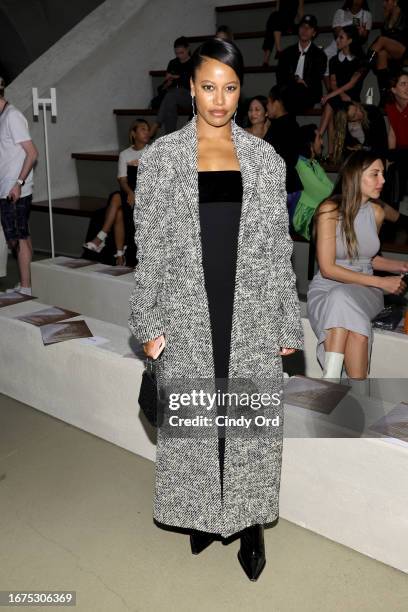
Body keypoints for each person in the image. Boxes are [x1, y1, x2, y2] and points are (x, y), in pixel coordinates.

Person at [128, 38, 303, 582]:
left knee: (247, 419)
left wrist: (285, 320)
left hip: (249, 305)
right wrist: (149, 323)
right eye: (208, 87)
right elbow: (148, 246)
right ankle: (204, 514)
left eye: (230, 88)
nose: (220, 100)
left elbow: (278, 247)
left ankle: (248, 524)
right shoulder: (160, 159)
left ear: (240, 90)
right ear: (190, 88)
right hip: (186, 307)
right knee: (199, 416)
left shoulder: (264, 158)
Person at [307, 151, 408, 386]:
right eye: (375, 174)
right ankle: (358, 392)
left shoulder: (377, 212)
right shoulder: (329, 210)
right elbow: (328, 268)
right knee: (355, 327)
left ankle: (330, 381)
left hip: (365, 291)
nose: (382, 180)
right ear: (355, 176)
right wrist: (382, 282)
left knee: (341, 299)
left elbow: (366, 258)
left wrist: (399, 266)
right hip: (328, 287)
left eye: (382, 174)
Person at [83, 119, 150, 265]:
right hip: (129, 193)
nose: (147, 132)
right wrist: (131, 193)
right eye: (143, 129)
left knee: (115, 199)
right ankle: (120, 256)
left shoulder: (153, 152)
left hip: (147, 194)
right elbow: (122, 180)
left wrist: (137, 193)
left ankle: (101, 238)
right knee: (117, 203)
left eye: (147, 129)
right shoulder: (125, 154)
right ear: (133, 133)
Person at [0, 76, 38, 295]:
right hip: (6, 187)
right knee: (20, 235)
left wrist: (19, 183)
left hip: (15, 189)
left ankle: (25, 288)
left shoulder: (12, 116)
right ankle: (28, 284)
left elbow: (32, 153)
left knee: (18, 237)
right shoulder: (2, 117)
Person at [319, 26, 367, 159]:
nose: (337, 40)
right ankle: (324, 144)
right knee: (331, 103)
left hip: (352, 98)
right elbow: (333, 84)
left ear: (350, 40)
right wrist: (339, 95)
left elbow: (351, 84)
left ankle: (321, 140)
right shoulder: (334, 60)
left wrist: (330, 95)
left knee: (330, 102)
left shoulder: (359, 60)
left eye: (341, 37)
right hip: (339, 96)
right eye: (337, 37)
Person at [276, 14, 328, 114]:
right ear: (298, 29)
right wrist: (295, 81)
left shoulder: (320, 55)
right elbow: (280, 75)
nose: (305, 30)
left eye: (309, 28)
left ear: (314, 33)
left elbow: (316, 78)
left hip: (309, 93)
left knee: (296, 92)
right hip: (290, 90)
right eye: (302, 27)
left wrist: (302, 83)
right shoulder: (287, 53)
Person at [264, 85, 303, 211]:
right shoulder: (293, 123)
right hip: (292, 186)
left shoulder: (278, 127)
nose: (267, 107)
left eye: (268, 103)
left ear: (277, 103)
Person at [293, 124, 334, 240]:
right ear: (310, 143)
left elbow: (331, 188)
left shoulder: (313, 164)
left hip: (318, 211)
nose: (322, 143)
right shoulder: (300, 165)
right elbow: (325, 193)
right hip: (304, 216)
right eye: (319, 138)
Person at [149, 37, 193, 138]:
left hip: (189, 96)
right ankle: (170, 136)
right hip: (173, 94)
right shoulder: (173, 63)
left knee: (172, 95)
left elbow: (193, 82)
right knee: (170, 99)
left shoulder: (194, 62)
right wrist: (167, 83)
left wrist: (176, 77)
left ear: (188, 49)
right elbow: (162, 87)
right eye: (177, 53)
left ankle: (157, 125)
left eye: (181, 53)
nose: (179, 56)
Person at [367, 0, 408, 104]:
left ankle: (367, 62)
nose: (384, 4)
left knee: (381, 40)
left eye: (387, 1)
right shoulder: (388, 18)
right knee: (381, 54)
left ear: (395, 2)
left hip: (403, 48)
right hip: (390, 51)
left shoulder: (404, 15)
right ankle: (385, 96)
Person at [332, 101, 388, 165]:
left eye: (356, 109)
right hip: (358, 162)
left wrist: (362, 148)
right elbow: (345, 149)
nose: (359, 113)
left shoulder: (373, 112)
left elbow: (381, 144)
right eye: (354, 116)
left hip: (376, 158)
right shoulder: (345, 129)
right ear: (348, 121)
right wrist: (352, 149)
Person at [384, 70, 408, 206]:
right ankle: (392, 217)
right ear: (393, 89)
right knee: (390, 173)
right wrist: (389, 158)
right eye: (403, 84)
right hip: (401, 151)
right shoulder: (390, 107)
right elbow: (392, 132)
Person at [262, 0, 304, 65]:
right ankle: (278, 50)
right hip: (280, 23)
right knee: (273, 18)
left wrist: (303, 26)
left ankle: (268, 57)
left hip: (290, 24)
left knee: (274, 18)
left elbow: (300, 12)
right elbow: (277, 9)